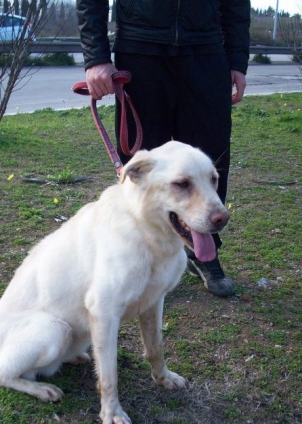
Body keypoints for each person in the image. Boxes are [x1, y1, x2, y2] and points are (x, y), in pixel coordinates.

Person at [76, 0, 250, 297]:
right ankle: (137, 258)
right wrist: (96, 56)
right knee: (142, 166)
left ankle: (201, 253)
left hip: (206, 50)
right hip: (140, 46)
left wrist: (237, 60)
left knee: (208, 158)